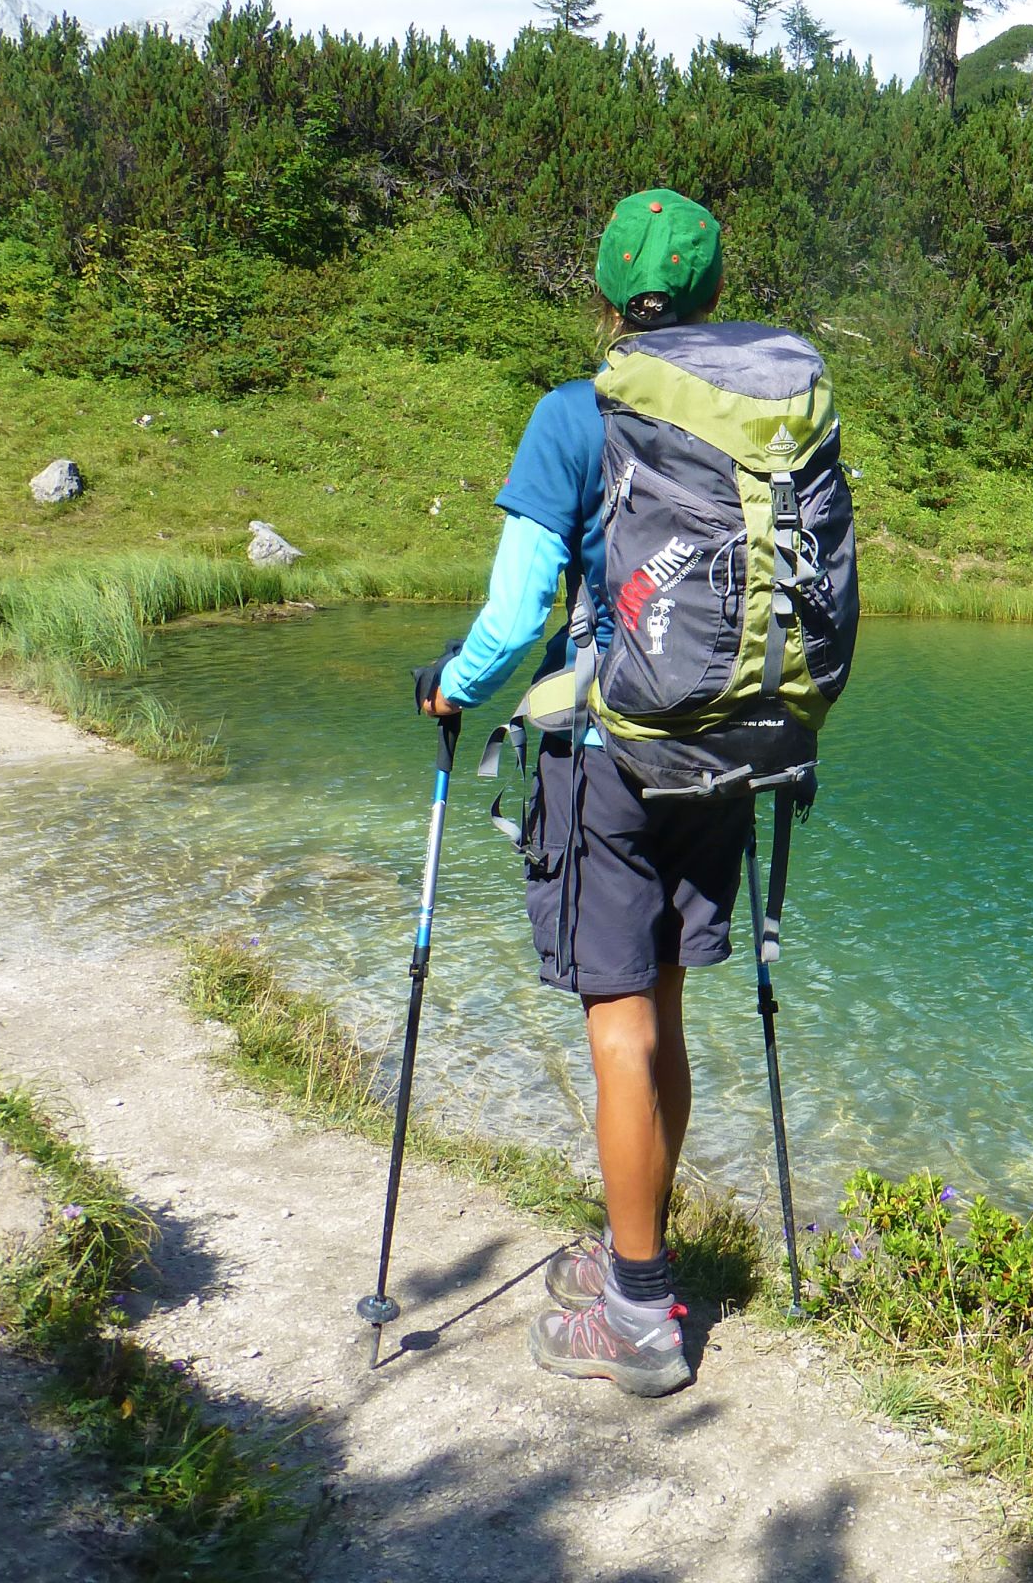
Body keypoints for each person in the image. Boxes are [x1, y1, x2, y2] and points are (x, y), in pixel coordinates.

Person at [419, 188, 746, 1399]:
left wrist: (453, 687)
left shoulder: (574, 414)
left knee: (618, 1023)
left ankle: (639, 1317)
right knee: (665, 1009)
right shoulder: (761, 422)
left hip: (608, 753)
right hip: (724, 750)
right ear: (714, 297)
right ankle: (634, 1250)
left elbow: (516, 618)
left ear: (607, 294)